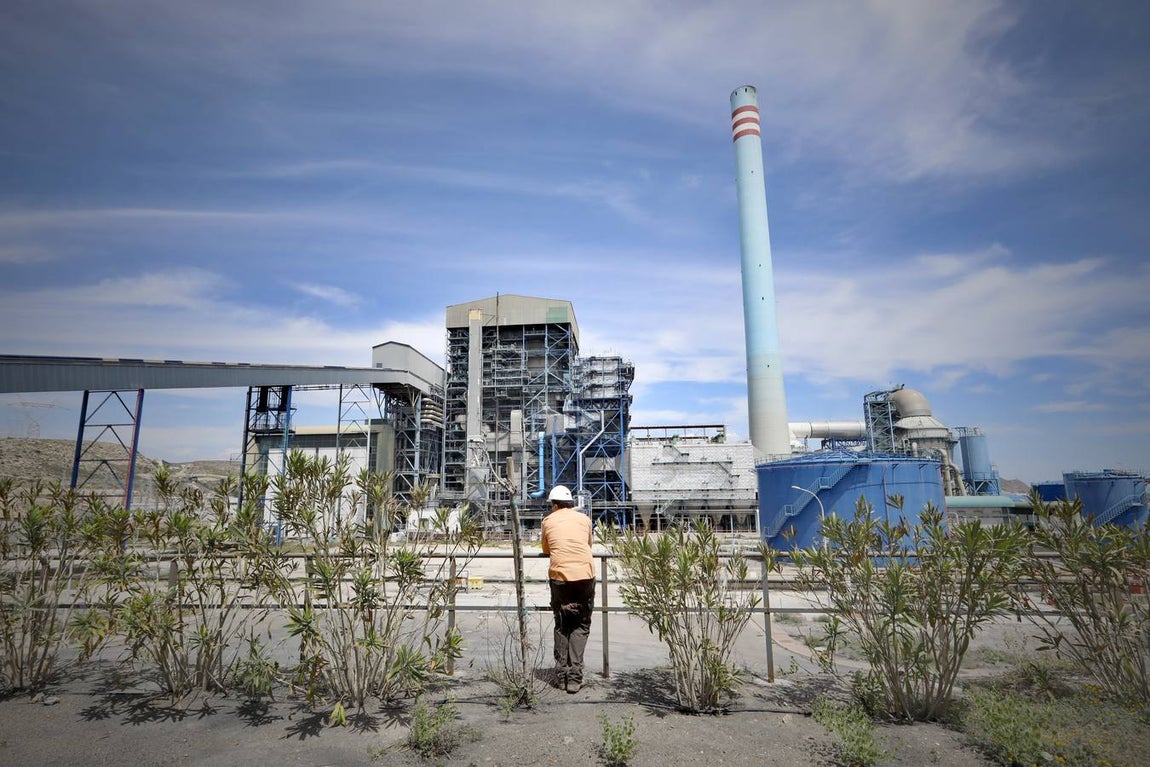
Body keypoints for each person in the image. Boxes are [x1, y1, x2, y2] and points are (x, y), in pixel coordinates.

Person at [540, 484, 594, 693]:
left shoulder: (547, 521)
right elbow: (588, 545)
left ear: (554, 505)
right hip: (584, 576)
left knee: (562, 625)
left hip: (560, 576)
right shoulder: (584, 519)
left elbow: (546, 549)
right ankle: (575, 679)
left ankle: (561, 677)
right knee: (580, 625)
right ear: (571, 503)